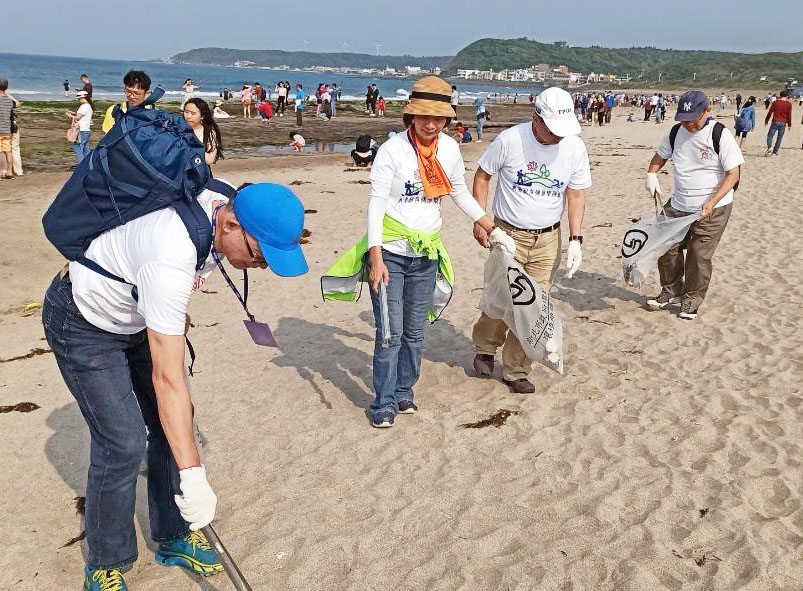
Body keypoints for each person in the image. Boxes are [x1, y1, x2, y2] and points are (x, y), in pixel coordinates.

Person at [43, 178, 308, 591]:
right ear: (232, 224)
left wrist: (168, 311)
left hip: (137, 314)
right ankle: (105, 562)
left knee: (174, 426)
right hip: (84, 322)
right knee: (123, 441)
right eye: (260, 256)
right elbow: (168, 380)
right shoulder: (171, 255)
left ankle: (172, 537)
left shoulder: (221, 199)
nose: (263, 266)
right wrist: (194, 474)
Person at [322, 76, 513, 428]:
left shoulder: (449, 150)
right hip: (390, 254)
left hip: (426, 256)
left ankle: (404, 391)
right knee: (389, 333)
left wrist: (492, 227)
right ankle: (383, 402)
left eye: (437, 118)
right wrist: (376, 257)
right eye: (422, 116)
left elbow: (458, 193)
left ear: (446, 120)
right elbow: (376, 204)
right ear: (410, 117)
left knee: (414, 333)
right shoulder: (392, 151)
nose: (430, 124)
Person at [471, 87, 591, 394]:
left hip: (548, 239)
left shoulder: (574, 148)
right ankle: (485, 347)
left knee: (533, 306)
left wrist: (575, 239)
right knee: (501, 298)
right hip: (506, 233)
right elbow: (483, 175)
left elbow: (576, 194)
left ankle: (516, 369)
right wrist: (481, 220)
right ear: (535, 118)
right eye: (552, 130)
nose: (557, 137)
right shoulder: (511, 140)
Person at [644, 90, 743, 320]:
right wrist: (651, 175)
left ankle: (691, 299)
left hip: (714, 208)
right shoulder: (675, 132)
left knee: (699, 255)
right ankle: (671, 290)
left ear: (707, 111)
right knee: (666, 248)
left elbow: (733, 175)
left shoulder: (719, 134)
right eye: (683, 118)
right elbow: (660, 156)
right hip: (679, 203)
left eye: (693, 119)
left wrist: (712, 201)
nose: (688, 124)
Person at [183, 98, 223, 166]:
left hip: (199, 173)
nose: (188, 116)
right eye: (186, 112)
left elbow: (210, 160)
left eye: (193, 113)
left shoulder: (209, 133)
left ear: (202, 116)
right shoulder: (176, 129)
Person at [67, 90, 93, 164]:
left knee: (78, 148)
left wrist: (69, 115)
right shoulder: (88, 106)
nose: (78, 100)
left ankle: (81, 167)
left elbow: (77, 118)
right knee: (85, 149)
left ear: (83, 98)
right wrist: (74, 113)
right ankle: (88, 166)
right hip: (86, 130)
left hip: (81, 130)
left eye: (79, 99)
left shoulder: (84, 106)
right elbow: (81, 116)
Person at [764, 89, 792, 157]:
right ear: (787, 96)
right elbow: (789, 115)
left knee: (770, 135)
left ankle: (770, 147)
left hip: (775, 121)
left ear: (780, 95)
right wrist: (789, 125)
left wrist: (766, 121)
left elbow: (770, 112)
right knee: (779, 138)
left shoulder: (775, 102)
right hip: (783, 123)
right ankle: (774, 152)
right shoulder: (789, 104)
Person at [0, 78, 15, 179]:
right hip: (7, 130)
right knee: (8, 152)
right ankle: (9, 172)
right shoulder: (9, 101)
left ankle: (1, 172)